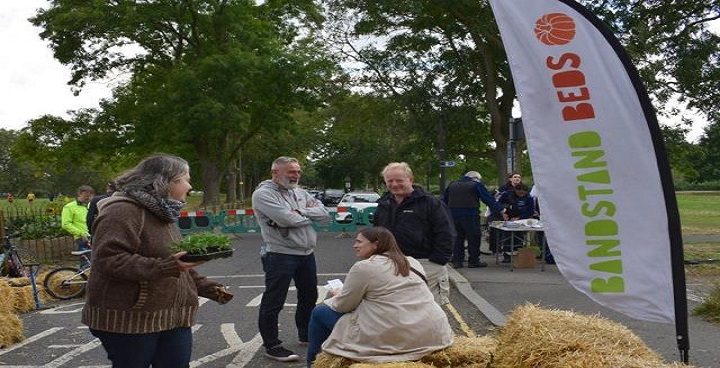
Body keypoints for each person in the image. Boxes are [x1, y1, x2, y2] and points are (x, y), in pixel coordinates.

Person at [81, 154, 233, 368]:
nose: (190, 186)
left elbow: (175, 260)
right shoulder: (122, 211)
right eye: (186, 179)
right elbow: (108, 260)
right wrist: (166, 267)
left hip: (171, 316)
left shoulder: (162, 211)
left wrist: (208, 288)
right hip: (131, 319)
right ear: (165, 181)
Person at [305, 227, 453, 367]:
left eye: (359, 242)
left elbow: (344, 305)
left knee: (320, 312)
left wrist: (338, 294)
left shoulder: (364, 267)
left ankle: (315, 363)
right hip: (432, 333)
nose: (355, 245)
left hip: (395, 336)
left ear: (375, 244)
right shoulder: (412, 261)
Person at [252, 156, 331, 362]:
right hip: (280, 253)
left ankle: (305, 334)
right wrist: (299, 217)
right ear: (275, 173)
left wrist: (301, 211)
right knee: (274, 300)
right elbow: (287, 219)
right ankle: (272, 345)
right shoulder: (263, 194)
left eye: (298, 171)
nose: (296, 175)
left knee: (309, 295)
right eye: (291, 172)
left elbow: (325, 216)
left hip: (306, 253)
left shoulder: (301, 193)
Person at [373, 162, 455, 305]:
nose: (394, 184)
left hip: (424, 263)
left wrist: (438, 260)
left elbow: (446, 232)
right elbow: (376, 232)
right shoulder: (383, 204)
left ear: (410, 179)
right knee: (396, 308)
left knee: (427, 309)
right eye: (389, 181)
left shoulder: (430, 203)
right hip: (390, 263)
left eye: (399, 180)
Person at [443, 171, 506, 268]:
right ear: (476, 178)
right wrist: (500, 210)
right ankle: (473, 261)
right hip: (470, 215)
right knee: (474, 238)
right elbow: (488, 199)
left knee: (457, 238)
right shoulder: (476, 185)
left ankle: (457, 260)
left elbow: (444, 200)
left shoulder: (452, 185)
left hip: (453, 215)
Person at [497, 182, 535, 263]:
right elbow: (498, 204)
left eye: (523, 193)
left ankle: (519, 255)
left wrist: (519, 218)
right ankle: (507, 255)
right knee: (508, 237)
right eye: (519, 193)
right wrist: (502, 213)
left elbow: (530, 211)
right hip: (508, 218)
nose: (521, 195)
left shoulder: (529, 198)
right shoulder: (507, 194)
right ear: (515, 190)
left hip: (521, 220)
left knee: (519, 237)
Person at [61, 185, 95, 270]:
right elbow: (66, 224)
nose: (89, 198)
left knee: (95, 262)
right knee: (86, 264)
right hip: (83, 238)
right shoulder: (69, 207)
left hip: (94, 236)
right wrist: (80, 233)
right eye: (86, 196)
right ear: (79, 194)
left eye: (90, 196)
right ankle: (84, 282)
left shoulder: (91, 206)